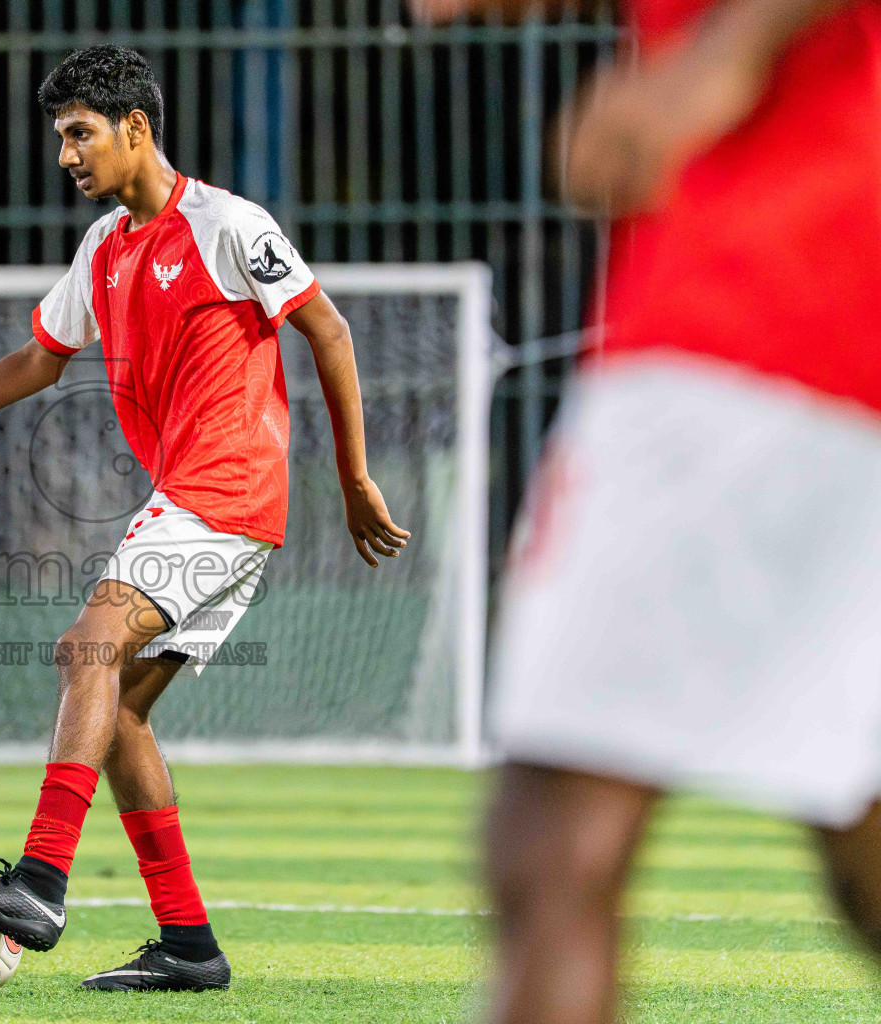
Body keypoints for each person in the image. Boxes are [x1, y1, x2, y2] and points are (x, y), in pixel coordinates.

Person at [0, 45, 411, 992]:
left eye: (79, 133)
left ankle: (42, 882)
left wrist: (353, 478)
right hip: (205, 501)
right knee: (125, 712)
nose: (66, 153)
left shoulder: (227, 223)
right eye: (60, 136)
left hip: (222, 487)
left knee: (86, 646)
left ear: (135, 127)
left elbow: (328, 329)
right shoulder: (103, 247)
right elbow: (39, 360)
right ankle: (189, 946)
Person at [411, 0, 881, 1018]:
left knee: (555, 826)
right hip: (817, 277)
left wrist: (721, 53)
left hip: (772, 273)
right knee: (859, 820)